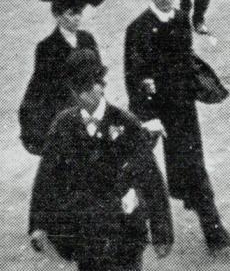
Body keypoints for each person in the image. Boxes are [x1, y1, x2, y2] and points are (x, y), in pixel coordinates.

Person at [124, 0, 230, 254]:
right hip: (154, 113)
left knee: (193, 168)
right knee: (135, 170)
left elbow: (185, 61)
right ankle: (116, 231)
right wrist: (147, 115)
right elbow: (134, 75)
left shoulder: (180, 20)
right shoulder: (137, 29)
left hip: (181, 109)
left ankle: (214, 232)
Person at [28, 48, 173, 271]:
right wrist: (37, 224)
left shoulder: (126, 124)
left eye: (89, 87)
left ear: (102, 85)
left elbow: (150, 177)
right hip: (86, 233)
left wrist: (161, 231)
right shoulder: (63, 125)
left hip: (125, 231)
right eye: (78, 90)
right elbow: (47, 177)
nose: (83, 96)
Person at [18, 0, 104, 156]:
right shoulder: (47, 47)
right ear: (57, 16)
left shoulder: (87, 39)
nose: (77, 18)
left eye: (80, 13)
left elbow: (98, 75)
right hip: (64, 112)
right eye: (72, 14)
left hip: (90, 109)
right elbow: (44, 87)